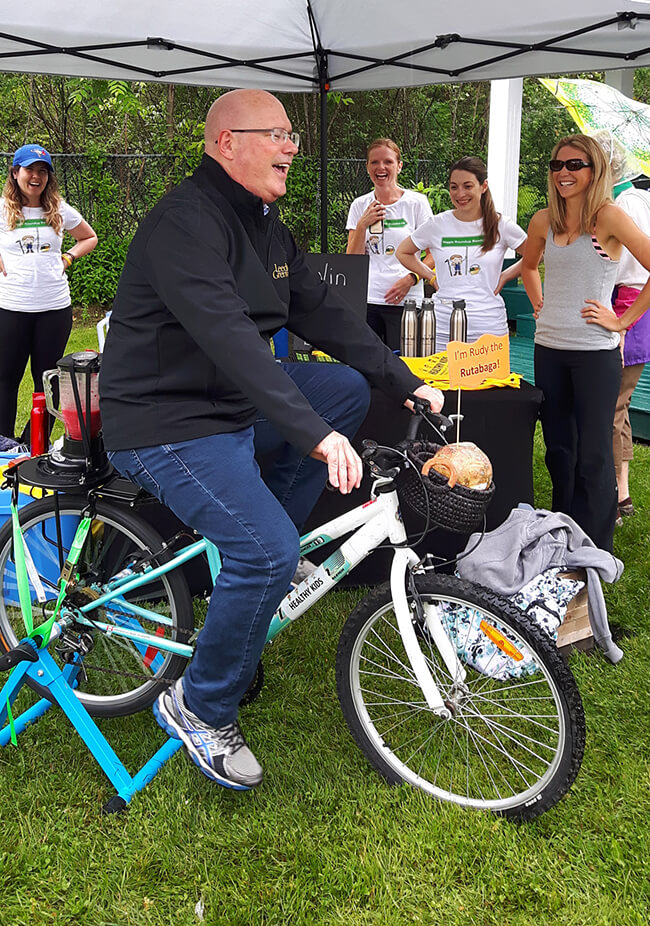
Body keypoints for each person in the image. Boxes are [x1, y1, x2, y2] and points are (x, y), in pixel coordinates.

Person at [99, 89, 443, 791]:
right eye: (277, 134)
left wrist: (402, 379)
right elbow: (231, 341)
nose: (291, 146)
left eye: (293, 134)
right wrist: (311, 434)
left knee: (346, 388)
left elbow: (322, 312)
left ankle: (264, 551)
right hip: (165, 421)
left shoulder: (265, 223)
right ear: (226, 143)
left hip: (224, 403)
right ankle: (198, 704)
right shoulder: (184, 223)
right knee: (264, 550)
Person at [522, 134, 650, 553]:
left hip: (595, 353)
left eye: (575, 165)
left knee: (594, 453)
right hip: (549, 350)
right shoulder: (544, 220)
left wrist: (623, 319)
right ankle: (562, 534)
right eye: (557, 164)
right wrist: (541, 303)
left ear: (594, 170)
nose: (563, 172)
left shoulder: (607, 218)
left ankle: (596, 551)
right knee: (559, 449)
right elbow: (528, 266)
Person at [0, 144, 98, 441]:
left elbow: (89, 237)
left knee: (48, 383)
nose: (36, 176)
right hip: (11, 308)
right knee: (5, 380)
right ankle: (4, 448)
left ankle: (33, 445)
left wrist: (67, 257)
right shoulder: (3, 209)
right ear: (15, 173)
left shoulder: (59, 209)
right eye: (29, 169)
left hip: (54, 309)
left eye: (43, 171)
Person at [396, 156, 527, 353]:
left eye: (467, 186)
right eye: (454, 187)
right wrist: (431, 278)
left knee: (491, 385)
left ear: (483, 186)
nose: (460, 194)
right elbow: (403, 252)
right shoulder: (437, 224)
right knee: (441, 383)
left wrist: (506, 275)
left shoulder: (501, 224)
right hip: (442, 328)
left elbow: (537, 254)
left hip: (488, 326)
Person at [592, 132, 650, 524]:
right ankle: (621, 492)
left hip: (626, 304)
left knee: (611, 404)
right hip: (629, 306)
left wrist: (622, 321)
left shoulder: (625, 202)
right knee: (618, 405)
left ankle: (613, 495)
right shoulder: (636, 197)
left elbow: (630, 266)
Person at [345, 138, 435, 351]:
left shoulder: (416, 204)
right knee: (369, 365)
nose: (381, 168)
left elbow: (433, 256)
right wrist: (362, 225)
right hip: (367, 301)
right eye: (374, 162)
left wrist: (411, 279)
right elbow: (352, 261)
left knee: (403, 366)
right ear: (367, 167)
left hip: (407, 303)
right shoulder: (359, 205)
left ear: (399, 166)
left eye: (388, 162)